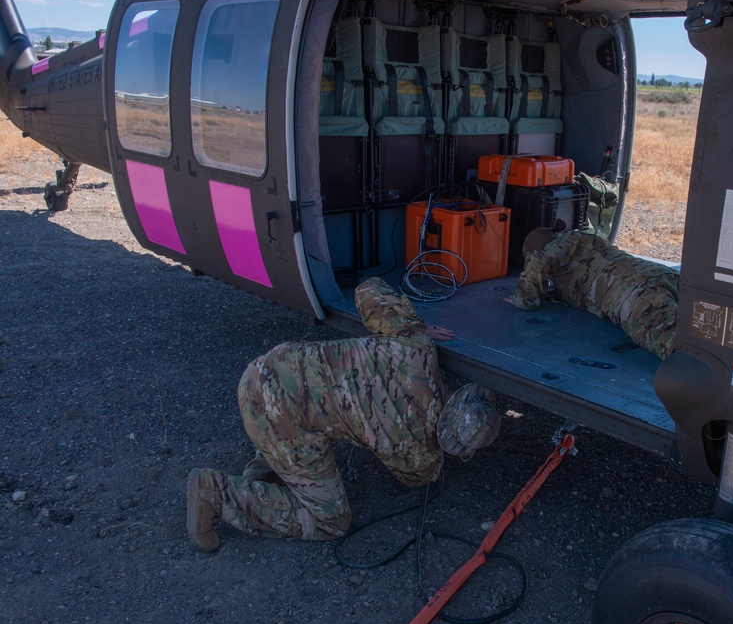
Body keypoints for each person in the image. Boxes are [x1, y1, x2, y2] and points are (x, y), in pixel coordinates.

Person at [186, 277, 500, 552]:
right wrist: (434, 457)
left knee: (313, 413)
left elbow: (368, 289)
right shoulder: (417, 450)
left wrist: (415, 325)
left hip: (265, 369)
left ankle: (265, 474)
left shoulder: (417, 345)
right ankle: (219, 493)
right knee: (331, 522)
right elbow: (415, 479)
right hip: (277, 415)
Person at [511, 228, 680, 359]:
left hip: (635, 293)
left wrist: (525, 292)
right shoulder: (583, 245)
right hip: (662, 276)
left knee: (682, 351)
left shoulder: (560, 245)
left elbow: (526, 298)